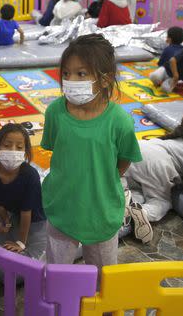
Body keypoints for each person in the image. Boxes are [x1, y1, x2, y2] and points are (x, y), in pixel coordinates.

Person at [41, 34, 142, 269]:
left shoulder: (119, 121)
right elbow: (59, 150)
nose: (70, 80)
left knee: (103, 279)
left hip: (101, 212)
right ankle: (60, 307)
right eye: (66, 73)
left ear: (106, 80)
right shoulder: (55, 112)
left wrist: (101, 178)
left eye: (81, 73)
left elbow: (123, 161)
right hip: (62, 208)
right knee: (57, 274)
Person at [124, 107, 183, 231]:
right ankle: (140, 213)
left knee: (137, 187)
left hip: (136, 148)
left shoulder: (172, 138)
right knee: (161, 201)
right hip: (157, 163)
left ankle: (125, 198)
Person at [0, 123, 45, 254]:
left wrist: (21, 243)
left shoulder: (30, 175)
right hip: (13, 212)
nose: (13, 150)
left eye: (19, 147)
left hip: (34, 217)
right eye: (7, 145)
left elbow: (27, 213)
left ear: (25, 152)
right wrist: (6, 224)